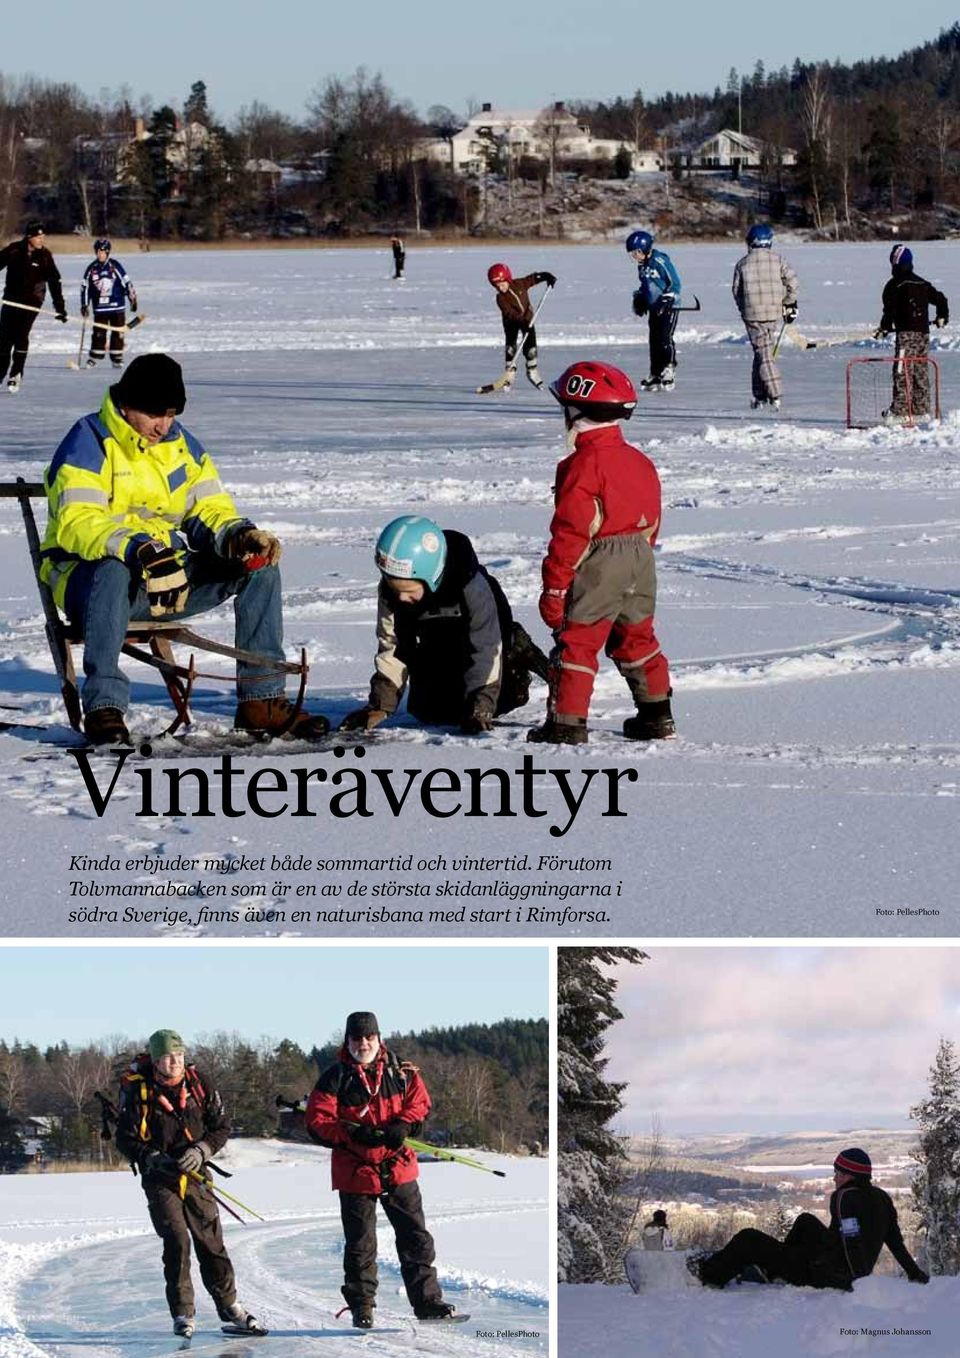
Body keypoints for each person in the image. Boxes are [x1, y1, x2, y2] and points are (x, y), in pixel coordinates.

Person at [39, 352, 331, 744]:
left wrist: (239, 536)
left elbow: (208, 509)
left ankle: (260, 701)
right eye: (154, 414)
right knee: (111, 569)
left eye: (171, 414)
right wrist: (137, 548)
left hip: (165, 580)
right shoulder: (88, 441)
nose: (162, 425)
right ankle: (105, 707)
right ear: (126, 405)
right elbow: (79, 522)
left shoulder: (182, 446)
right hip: (88, 583)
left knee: (258, 565)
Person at [527, 360, 674, 746]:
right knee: (637, 636)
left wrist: (555, 591)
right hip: (642, 556)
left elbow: (570, 535)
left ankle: (566, 724)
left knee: (578, 640)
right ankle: (657, 715)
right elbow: (653, 519)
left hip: (600, 558)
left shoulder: (581, 466)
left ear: (574, 413)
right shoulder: (641, 461)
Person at [305, 1011, 457, 1329]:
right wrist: (352, 1133)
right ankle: (362, 1306)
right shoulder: (335, 1077)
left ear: (378, 1038)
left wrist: (404, 1124)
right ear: (347, 1041)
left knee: (416, 1238)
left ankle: (428, 1303)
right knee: (361, 1244)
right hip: (355, 1170)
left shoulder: (401, 1072)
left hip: (397, 1167)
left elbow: (420, 1103)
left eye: (369, 1037)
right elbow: (318, 1120)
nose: (363, 1043)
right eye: (357, 1038)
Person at [114, 1029, 266, 1340]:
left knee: (211, 1243)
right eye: (168, 1057)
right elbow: (124, 1138)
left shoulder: (200, 1084)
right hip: (161, 1179)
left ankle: (230, 1307)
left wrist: (202, 1150)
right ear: (156, 1060)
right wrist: (151, 1157)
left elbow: (221, 1126)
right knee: (177, 1241)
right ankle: (183, 1313)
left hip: (197, 1174)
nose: (175, 1062)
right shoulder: (137, 1091)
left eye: (179, 1056)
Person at [340, 514, 548, 734]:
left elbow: (486, 649)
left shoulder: (472, 586)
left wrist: (481, 709)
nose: (401, 598)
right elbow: (393, 647)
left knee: (503, 699)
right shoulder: (391, 594)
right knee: (430, 713)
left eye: (408, 592)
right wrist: (380, 706)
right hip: (438, 642)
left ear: (432, 575)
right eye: (395, 590)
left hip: (489, 646)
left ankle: (519, 646)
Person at [693, 1147, 930, 1291]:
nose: (834, 1178)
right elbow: (894, 1241)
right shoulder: (881, 1197)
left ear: (850, 1175)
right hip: (838, 1263)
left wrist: (855, 1282)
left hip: (828, 1274)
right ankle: (774, 1271)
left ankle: (709, 1273)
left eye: (837, 1173)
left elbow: (851, 1239)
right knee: (806, 1220)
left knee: (748, 1237)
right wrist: (914, 1273)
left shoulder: (844, 1197)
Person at [876, 244, 949, 423]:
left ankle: (900, 411)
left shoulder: (895, 285)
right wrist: (942, 316)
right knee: (919, 370)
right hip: (923, 334)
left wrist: (884, 327)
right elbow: (941, 299)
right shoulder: (921, 283)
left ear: (894, 263)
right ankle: (921, 409)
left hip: (906, 335)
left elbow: (889, 310)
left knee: (902, 371)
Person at [731, 222, 799, 411]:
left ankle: (774, 393)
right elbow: (793, 283)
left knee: (764, 354)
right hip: (773, 313)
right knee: (762, 352)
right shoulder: (778, 260)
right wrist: (788, 301)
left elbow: (736, 291)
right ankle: (759, 394)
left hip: (752, 315)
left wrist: (743, 308)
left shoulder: (742, 263)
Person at [0, 222, 68, 393]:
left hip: (32, 301)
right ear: (29, 237)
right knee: (5, 339)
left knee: (21, 334)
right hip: (11, 299)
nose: (41, 240)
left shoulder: (45, 256)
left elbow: (54, 282)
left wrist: (59, 307)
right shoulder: (14, 250)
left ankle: (16, 374)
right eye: (38, 237)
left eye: (43, 236)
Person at [625, 230, 681, 391]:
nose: (633, 256)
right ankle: (655, 374)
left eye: (635, 252)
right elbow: (646, 285)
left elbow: (675, 283)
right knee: (654, 341)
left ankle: (669, 369)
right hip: (654, 308)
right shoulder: (642, 266)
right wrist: (640, 297)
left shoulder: (660, 261)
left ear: (644, 249)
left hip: (669, 306)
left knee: (665, 338)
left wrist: (668, 298)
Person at [487, 262, 557, 390]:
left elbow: (532, 279)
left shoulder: (520, 284)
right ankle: (510, 374)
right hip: (511, 322)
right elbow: (510, 314)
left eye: (502, 284)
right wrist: (522, 322)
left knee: (530, 348)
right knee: (511, 348)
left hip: (528, 320)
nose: (501, 288)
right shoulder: (500, 299)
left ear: (508, 279)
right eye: (497, 286)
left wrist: (546, 276)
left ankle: (532, 371)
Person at [80, 238, 138, 368]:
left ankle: (117, 357)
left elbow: (127, 282)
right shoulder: (91, 268)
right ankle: (95, 356)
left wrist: (132, 298)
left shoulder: (115, 265)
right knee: (99, 333)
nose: (100, 255)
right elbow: (85, 288)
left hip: (117, 306)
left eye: (103, 252)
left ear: (107, 252)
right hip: (100, 308)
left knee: (118, 332)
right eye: (98, 252)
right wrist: (84, 305)